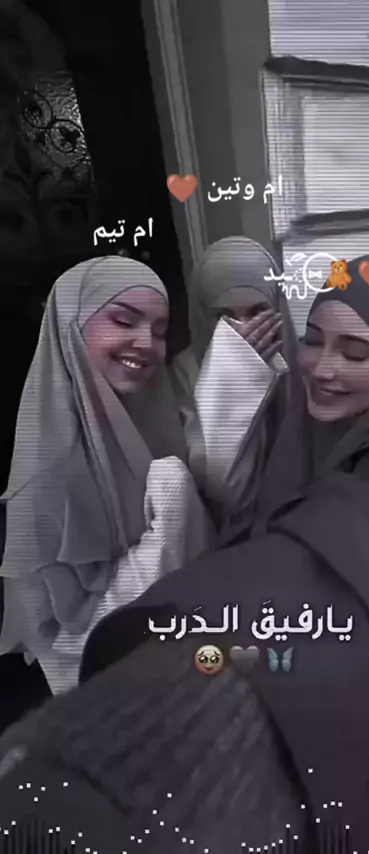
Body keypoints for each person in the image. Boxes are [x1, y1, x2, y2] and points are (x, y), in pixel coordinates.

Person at [37, 252, 369, 850]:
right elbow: (244, 513)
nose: (323, 368)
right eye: (314, 340)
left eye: (356, 353)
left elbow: (318, 569)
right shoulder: (299, 429)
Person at [0, 256, 216, 697]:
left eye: (159, 330)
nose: (146, 343)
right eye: (123, 321)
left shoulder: (149, 422)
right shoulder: (48, 475)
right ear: (72, 325)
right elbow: (63, 650)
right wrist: (170, 520)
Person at [171, 236, 295, 523]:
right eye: (224, 316)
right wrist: (235, 375)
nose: (244, 330)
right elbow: (224, 490)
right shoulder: (182, 373)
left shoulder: (307, 363)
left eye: (257, 312)